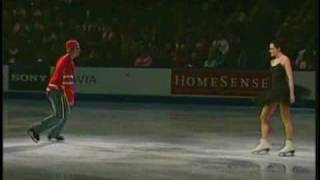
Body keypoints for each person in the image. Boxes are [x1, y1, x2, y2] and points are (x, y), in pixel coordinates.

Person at [252, 41, 310, 156]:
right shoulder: (272, 61)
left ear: (279, 48)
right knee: (263, 116)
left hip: (283, 92)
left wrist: (292, 94)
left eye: (272, 48)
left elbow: (290, 78)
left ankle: (289, 144)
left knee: (286, 118)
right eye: (269, 49)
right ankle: (264, 142)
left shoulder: (285, 59)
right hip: (274, 92)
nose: (270, 51)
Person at [27, 39, 81, 143]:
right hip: (55, 90)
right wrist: (70, 98)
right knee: (59, 115)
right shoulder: (68, 62)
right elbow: (67, 82)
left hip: (57, 89)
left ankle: (54, 134)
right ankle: (35, 129)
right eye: (77, 48)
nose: (79, 50)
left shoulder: (66, 59)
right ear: (71, 49)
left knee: (64, 113)